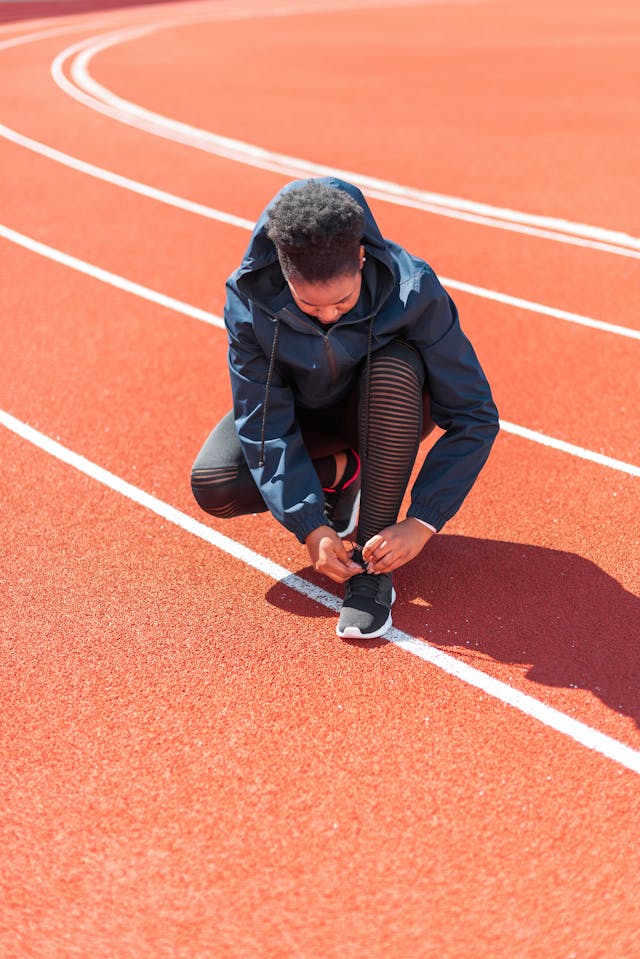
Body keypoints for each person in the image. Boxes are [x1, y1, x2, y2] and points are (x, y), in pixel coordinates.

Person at [191, 177, 499, 639]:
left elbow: (474, 413)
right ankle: (342, 475)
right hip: (309, 414)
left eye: (342, 301)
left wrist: (422, 521)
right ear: (283, 268)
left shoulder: (414, 289)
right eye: (310, 306)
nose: (330, 315)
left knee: (395, 365)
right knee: (216, 485)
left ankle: (372, 576)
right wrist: (310, 526)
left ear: (360, 258)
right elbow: (263, 421)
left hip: (389, 406)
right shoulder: (249, 299)